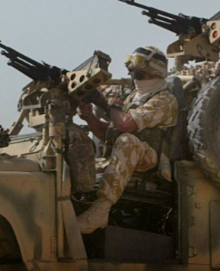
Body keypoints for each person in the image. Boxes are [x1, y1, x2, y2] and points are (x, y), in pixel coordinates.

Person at [75, 46, 178, 234]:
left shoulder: (165, 100)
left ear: (154, 74)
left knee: (127, 141)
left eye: (139, 75)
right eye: (132, 74)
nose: (134, 79)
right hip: (128, 155)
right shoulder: (134, 97)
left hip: (149, 160)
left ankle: (100, 211)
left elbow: (125, 125)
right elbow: (110, 133)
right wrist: (90, 118)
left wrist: (107, 106)